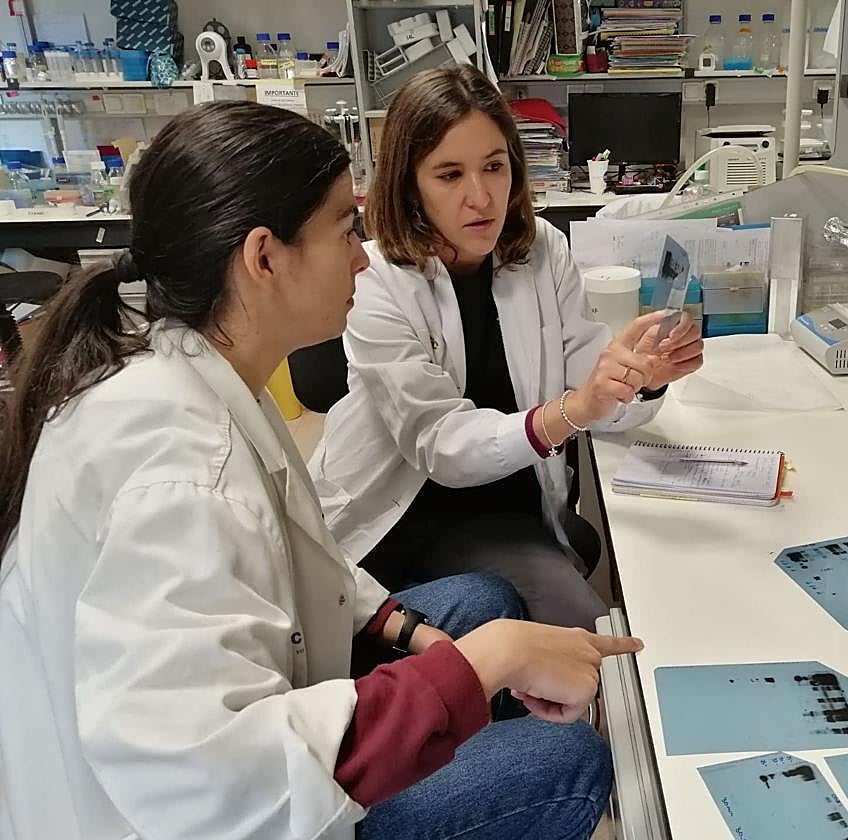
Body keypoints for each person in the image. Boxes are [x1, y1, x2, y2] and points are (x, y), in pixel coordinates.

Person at [0, 101, 642, 840]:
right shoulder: (179, 470)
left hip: (224, 740)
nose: (362, 257)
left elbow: (307, 561)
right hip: (192, 813)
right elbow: (209, 783)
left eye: (496, 168)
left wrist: (412, 634)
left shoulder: (196, 371)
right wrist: (482, 665)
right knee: (565, 758)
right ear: (264, 256)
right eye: (344, 229)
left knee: (482, 600)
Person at [311, 65, 705, 629]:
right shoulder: (375, 278)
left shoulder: (541, 249)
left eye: (495, 167)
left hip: (510, 507)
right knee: (588, 644)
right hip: (399, 521)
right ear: (409, 184)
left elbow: (591, 380)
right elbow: (441, 446)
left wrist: (644, 373)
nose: (481, 196)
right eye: (450, 174)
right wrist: (575, 409)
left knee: (617, 618)